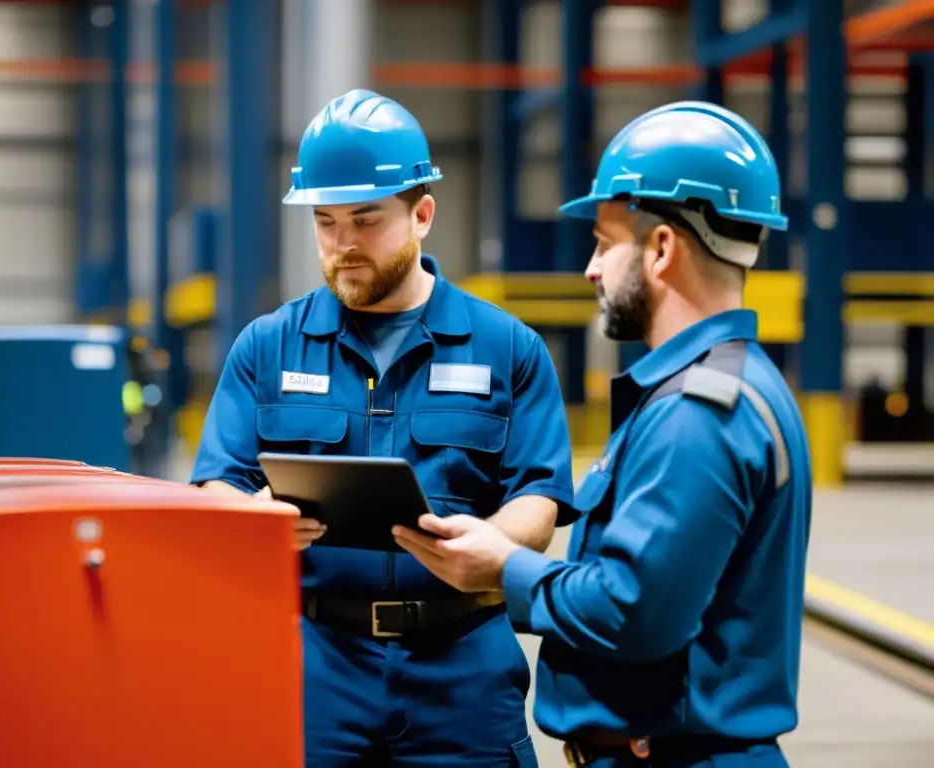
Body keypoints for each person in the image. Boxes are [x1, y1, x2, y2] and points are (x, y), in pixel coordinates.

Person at [394, 100, 812, 767]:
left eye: (605, 242)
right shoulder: (732, 385)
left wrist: (504, 570)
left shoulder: (698, 414)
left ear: (663, 249)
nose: (591, 268)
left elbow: (635, 612)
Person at [190, 88, 575, 766]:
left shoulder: (507, 348)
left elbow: (539, 500)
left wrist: (488, 542)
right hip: (315, 666)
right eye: (326, 223)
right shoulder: (268, 346)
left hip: (462, 669)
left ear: (421, 214)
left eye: (366, 220)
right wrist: (255, 521)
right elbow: (216, 484)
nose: (343, 246)